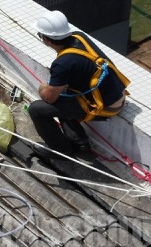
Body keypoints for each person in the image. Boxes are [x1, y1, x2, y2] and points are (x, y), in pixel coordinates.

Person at [28, 10, 130, 158]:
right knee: (65, 93)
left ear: (47, 39)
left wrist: (43, 88)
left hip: (105, 107)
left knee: (36, 109)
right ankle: (79, 142)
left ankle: (60, 150)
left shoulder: (62, 64)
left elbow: (49, 98)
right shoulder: (79, 37)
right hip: (116, 96)